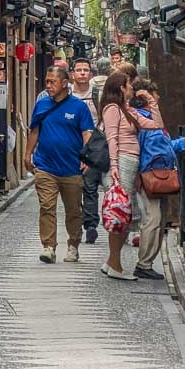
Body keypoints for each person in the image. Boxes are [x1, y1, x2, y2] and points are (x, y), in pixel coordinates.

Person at [132, 83, 185, 280]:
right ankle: (144, 263)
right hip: (149, 175)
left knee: (158, 220)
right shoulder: (141, 120)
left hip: (158, 175)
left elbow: (165, 146)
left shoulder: (151, 119)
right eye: (155, 94)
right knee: (153, 219)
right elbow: (140, 149)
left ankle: (147, 262)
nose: (158, 97)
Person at [24, 64, 94, 265]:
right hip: (46, 166)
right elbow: (34, 130)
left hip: (72, 167)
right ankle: (48, 246)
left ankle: (73, 245)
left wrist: (86, 158)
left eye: (52, 82)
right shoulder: (42, 105)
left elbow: (87, 133)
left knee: (73, 210)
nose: (48, 86)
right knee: (46, 206)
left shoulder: (79, 107)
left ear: (64, 83)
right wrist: (28, 154)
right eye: (47, 82)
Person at [98, 71, 165, 281]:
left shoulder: (126, 109)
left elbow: (156, 125)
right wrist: (115, 165)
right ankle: (115, 264)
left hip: (130, 162)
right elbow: (111, 138)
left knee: (124, 214)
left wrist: (151, 102)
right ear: (121, 88)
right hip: (122, 161)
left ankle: (112, 262)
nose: (132, 89)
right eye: (129, 85)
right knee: (120, 213)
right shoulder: (112, 109)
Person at [70, 57, 101, 243]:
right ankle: (75, 222)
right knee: (73, 187)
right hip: (71, 146)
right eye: (78, 69)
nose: (82, 73)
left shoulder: (97, 94)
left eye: (85, 70)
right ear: (72, 73)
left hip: (93, 146)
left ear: (91, 74)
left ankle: (90, 224)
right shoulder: (67, 95)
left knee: (90, 186)